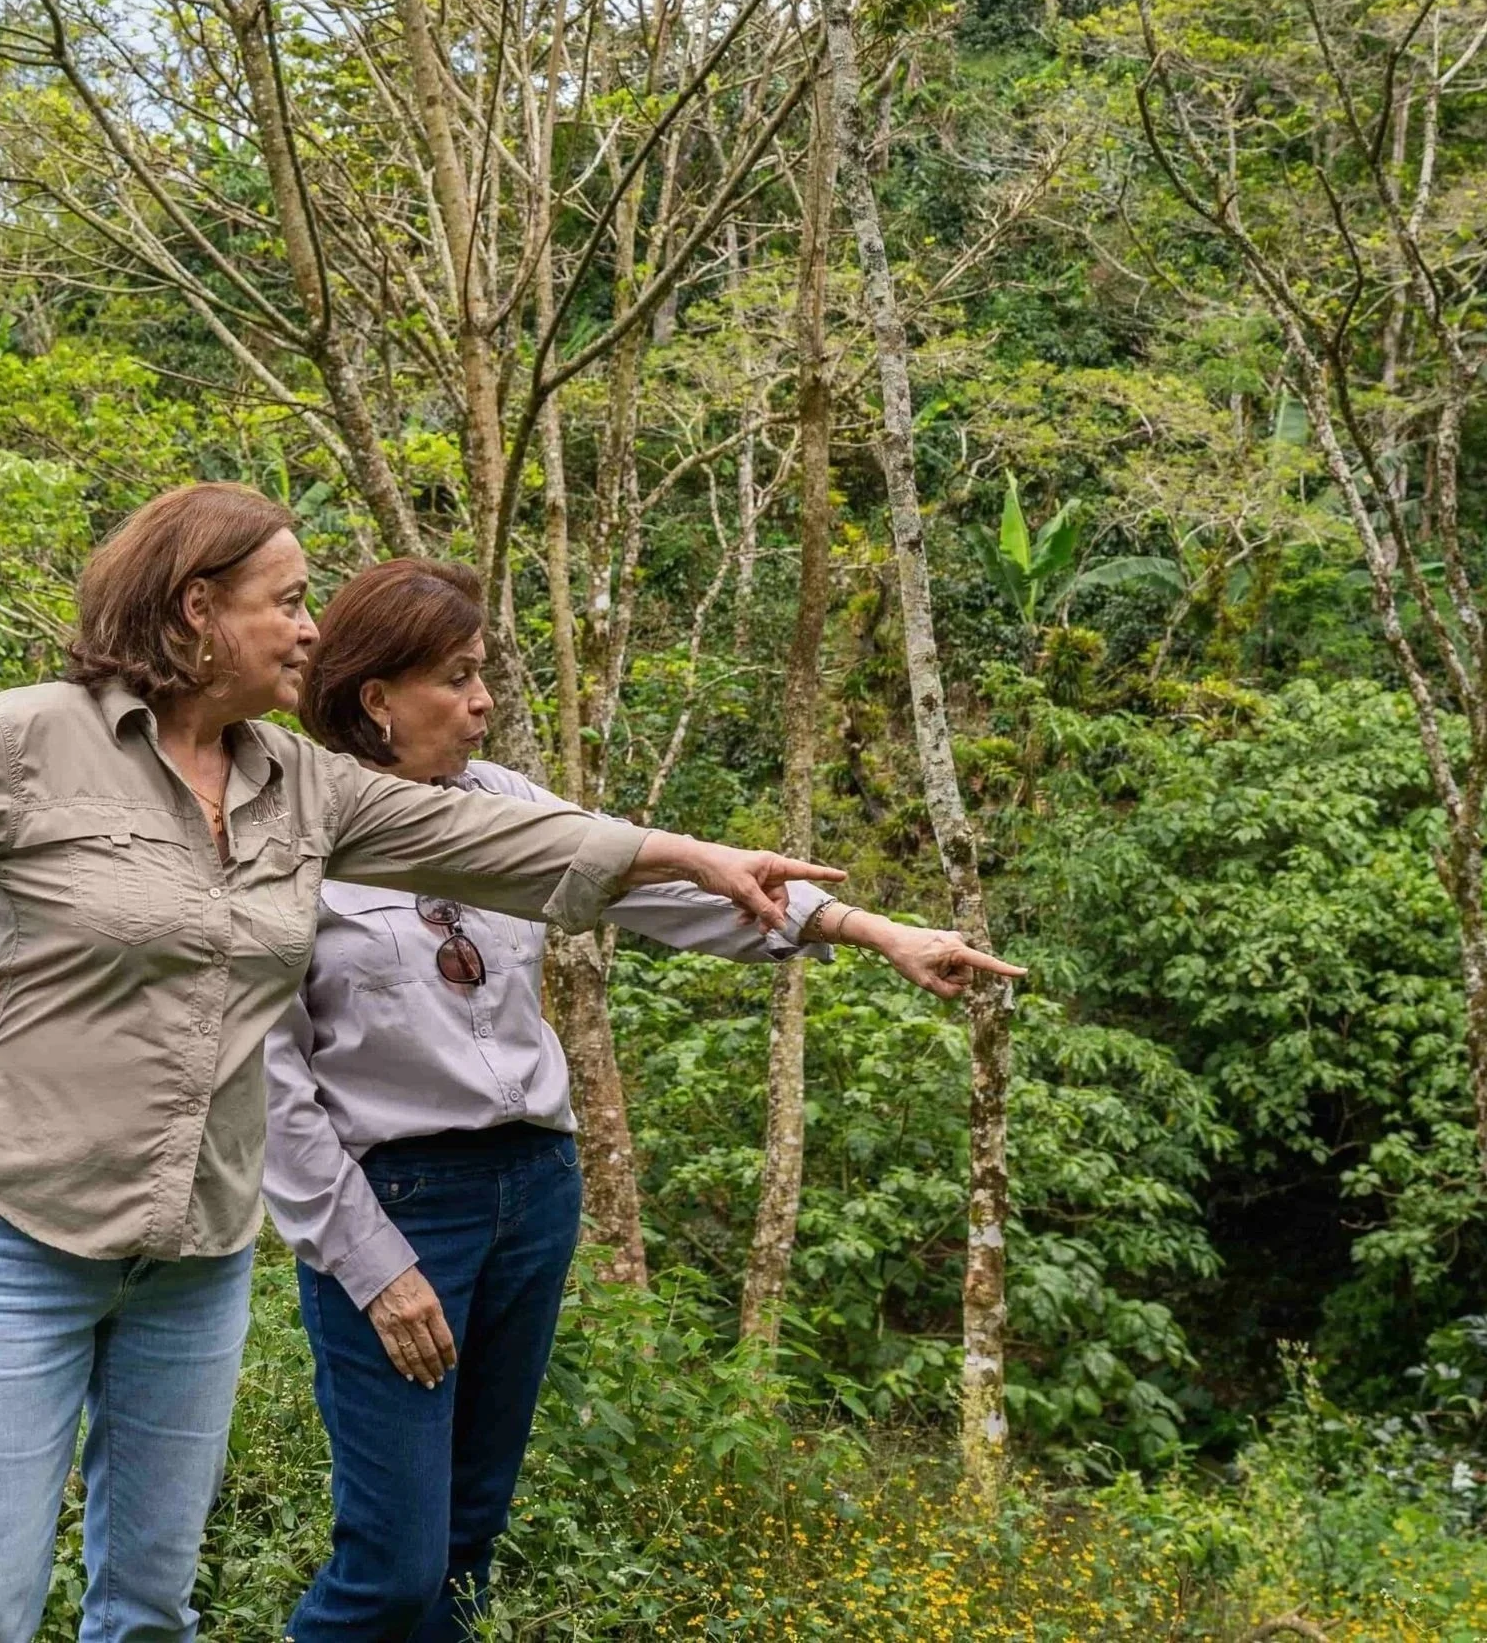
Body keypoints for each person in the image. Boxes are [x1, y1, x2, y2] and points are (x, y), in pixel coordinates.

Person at [0, 482, 856, 1643]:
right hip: (18, 1226)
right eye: (286, 603)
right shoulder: (36, 738)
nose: (311, 630)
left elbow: (497, 838)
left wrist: (688, 851)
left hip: (197, 1248)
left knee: (146, 1608)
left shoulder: (304, 785)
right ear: (197, 611)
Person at [265, 559, 1021, 1643]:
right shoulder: (292, 835)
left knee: (469, 1540)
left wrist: (879, 933)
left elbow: (675, 886)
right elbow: (273, 1083)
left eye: (485, 674)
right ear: (375, 697)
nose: (484, 702)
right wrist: (372, 1264)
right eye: (455, 678)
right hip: (394, 1202)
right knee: (392, 1564)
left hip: (531, 1188)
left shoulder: (504, 807)